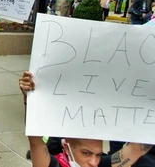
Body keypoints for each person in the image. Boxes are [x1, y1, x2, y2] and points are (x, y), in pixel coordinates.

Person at [19, 72, 153, 167]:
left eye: (99, 155)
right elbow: (36, 141)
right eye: (86, 153)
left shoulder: (100, 164)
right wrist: (30, 99)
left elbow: (136, 149)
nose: (93, 162)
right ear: (66, 147)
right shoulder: (52, 164)